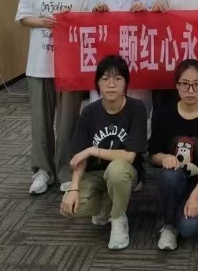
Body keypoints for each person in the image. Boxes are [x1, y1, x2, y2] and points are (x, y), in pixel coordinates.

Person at [15, 0, 91, 195]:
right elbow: (23, 17)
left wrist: (71, 21)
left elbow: (88, 21)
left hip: (69, 66)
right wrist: (44, 22)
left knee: (69, 121)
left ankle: (65, 170)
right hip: (39, 64)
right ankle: (42, 171)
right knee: (40, 120)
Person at [60, 55, 147, 251]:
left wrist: (93, 150)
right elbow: (79, 157)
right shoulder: (89, 112)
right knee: (71, 207)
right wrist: (74, 188)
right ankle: (107, 205)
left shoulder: (136, 108)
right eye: (105, 79)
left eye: (118, 79)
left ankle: (118, 218)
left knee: (116, 171)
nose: (111, 84)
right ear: (97, 83)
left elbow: (129, 156)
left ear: (126, 83)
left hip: (125, 172)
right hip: (95, 173)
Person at [149, 59, 198, 250]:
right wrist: (164, 158)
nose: (190, 90)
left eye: (196, 84)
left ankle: (187, 207)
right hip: (175, 179)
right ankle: (168, 225)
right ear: (176, 85)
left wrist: (195, 197)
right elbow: (153, 154)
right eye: (185, 84)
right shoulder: (164, 115)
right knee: (169, 175)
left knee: (189, 228)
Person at [89, 0, 157, 126]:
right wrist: (96, 13)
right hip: (106, 58)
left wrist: (146, 12)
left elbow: (157, 27)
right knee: (104, 111)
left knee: (138, 111)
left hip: (137, 59)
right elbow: (86, 26)